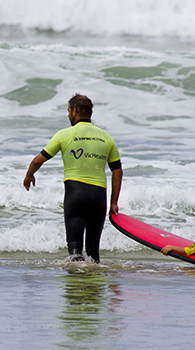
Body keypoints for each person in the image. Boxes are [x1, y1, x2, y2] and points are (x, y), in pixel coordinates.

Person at [23, 93, 123, 263]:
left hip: (75, 195)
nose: (68, 114)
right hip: (98, 197)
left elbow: (37, 160)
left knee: (75, 252)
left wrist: (29, 175)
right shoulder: (107, 138)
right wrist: (114, 202)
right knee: (93, 253)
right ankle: (93, 287)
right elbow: (117, 172)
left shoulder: (64, 135)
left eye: (69, 111)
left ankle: (75, 287)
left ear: (75, 111)